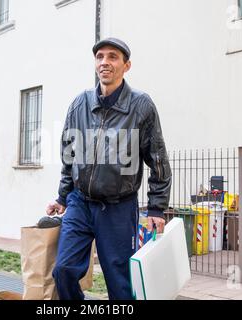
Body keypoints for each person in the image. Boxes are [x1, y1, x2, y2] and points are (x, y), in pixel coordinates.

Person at [46, 38, 172, 300]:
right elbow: (69, 155)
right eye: (100, 56)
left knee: (119, 282)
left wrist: (157, 207)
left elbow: (157, 157)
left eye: (112, 57)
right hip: (80, 202)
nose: (105, 62)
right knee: (64, 270)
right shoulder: (80, 104)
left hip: (118, 207)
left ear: (126, 65)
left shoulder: (141, 106)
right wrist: (62, 196)